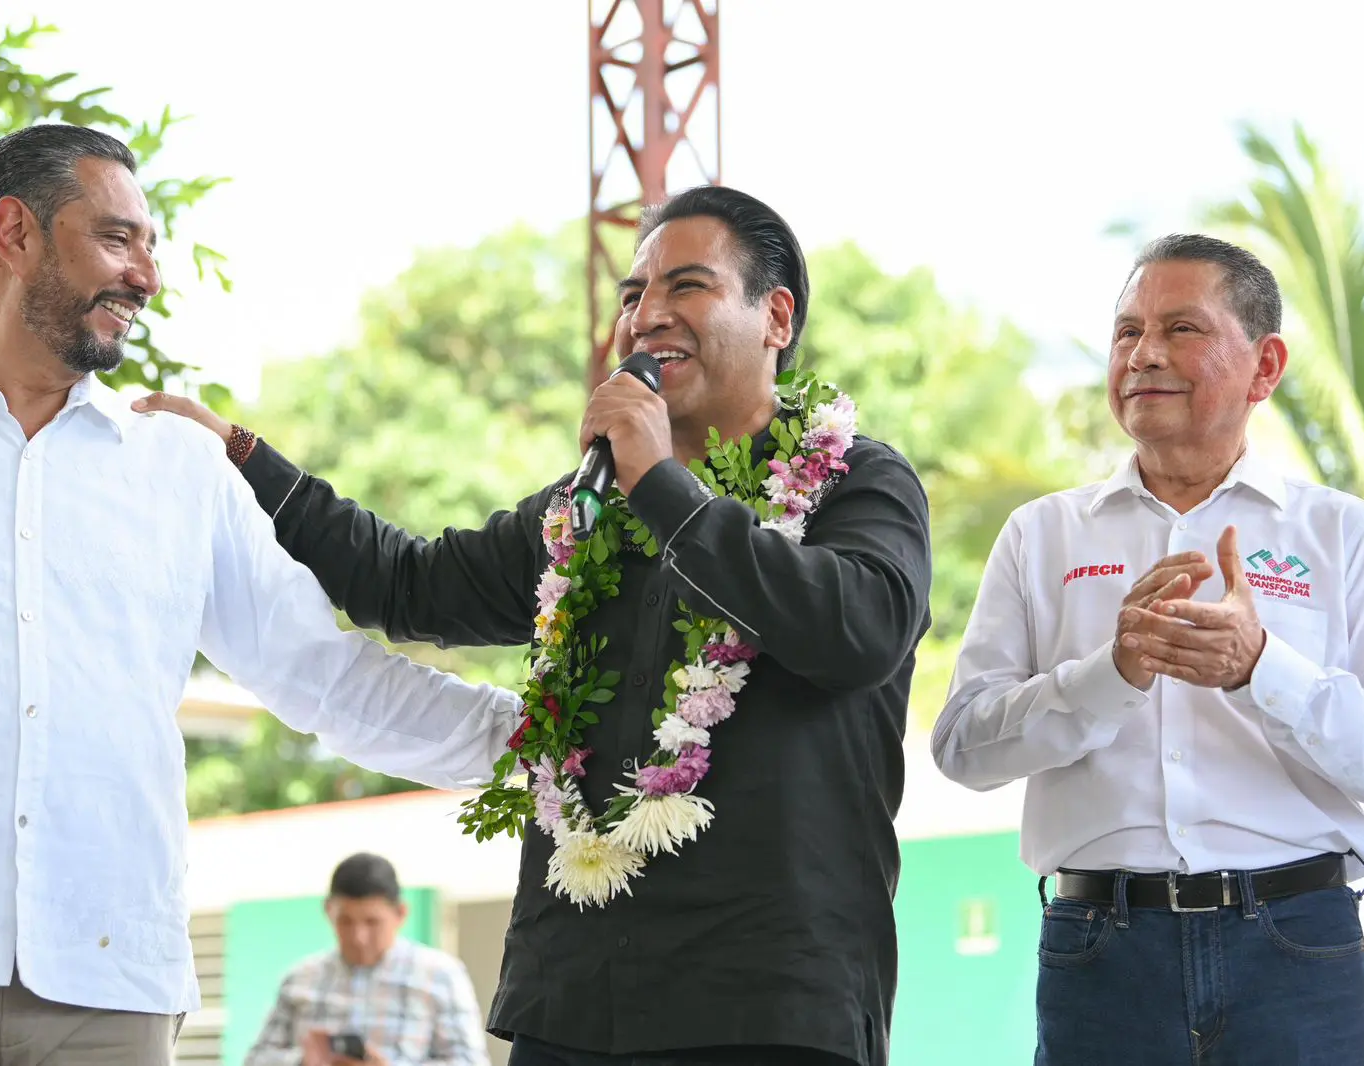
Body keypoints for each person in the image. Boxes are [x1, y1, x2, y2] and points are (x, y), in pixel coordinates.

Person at [136, 184, 933, 1066]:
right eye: (633, 295)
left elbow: (856, 630)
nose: (646, 316)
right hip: (578, 1000)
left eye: (687, 287)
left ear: (775, 315)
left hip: (767, 1002)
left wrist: (663, 486)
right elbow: (406, 585)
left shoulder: (856, 481)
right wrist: (243, 460)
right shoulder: (582, 509)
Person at [0, 124, 522, 1066]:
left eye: (151, 245)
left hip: (109, 987)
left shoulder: (180, 468)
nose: (148, 276)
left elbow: (322, 676)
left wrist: (546, 739)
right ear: (15, 234)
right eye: (118, 238)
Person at [931, 233, 1364, 1065]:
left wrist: (1263, 670)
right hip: (1101, 952)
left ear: (1266, 366)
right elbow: (963, 747)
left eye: (1182, 329)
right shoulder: (1042, 533)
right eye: (1126, 332)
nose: (1143, 354)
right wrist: (1110, 675)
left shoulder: (1348, 536)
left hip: (1297, 946)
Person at [243, 853, 488, 1066]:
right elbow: (255, 1060)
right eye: (345, 921)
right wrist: (303, 1061)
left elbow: (472, 1062)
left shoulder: (441, 975)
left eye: (372, 922)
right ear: (328, 911)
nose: (358, 937)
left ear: (400, 913)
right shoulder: (299, 978)